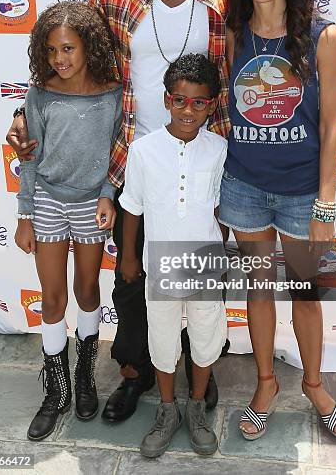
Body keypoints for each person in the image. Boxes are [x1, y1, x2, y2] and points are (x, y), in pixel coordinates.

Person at [7, 0, 229, 422]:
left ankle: (201, 372)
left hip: (203, 157)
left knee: (194, 270)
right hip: (130, 158)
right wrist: (23, 111)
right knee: (130, 277)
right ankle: (134, 374)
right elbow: (73, 55)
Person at [213, 0, 336, 439]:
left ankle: (314, 385)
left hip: (301, 194)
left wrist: (325, 203)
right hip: (244, 184)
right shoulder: (231, 32)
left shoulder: (325, 36)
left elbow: (332, 122)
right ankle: (267, 382)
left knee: (307, 294)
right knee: (259, 290)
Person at [14, 1, 121, 441]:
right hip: (47, 202)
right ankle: (55, 389)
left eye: (69, 49)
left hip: (91, 204)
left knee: (88, 289)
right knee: (53, 297)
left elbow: (118, 151)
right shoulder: (38, 95)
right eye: (52, 50)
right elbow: (29, 158)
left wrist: (108, 196)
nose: (61, 59)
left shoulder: (113, 93)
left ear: (89, 47)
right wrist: (24, 213)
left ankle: (84, 376)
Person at [119, 54, 227, 457]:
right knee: (163, 342)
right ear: (166, 100)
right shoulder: (144, 150)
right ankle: (168, 410)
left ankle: (196, 407)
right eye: (180, 100)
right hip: (160, 263)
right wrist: (129, 258)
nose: (188, 109)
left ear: (211, 105)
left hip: (204, 263)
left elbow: (219, 210)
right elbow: (132, 207)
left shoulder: (219, 149)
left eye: (199, 102)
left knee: (204, 340)